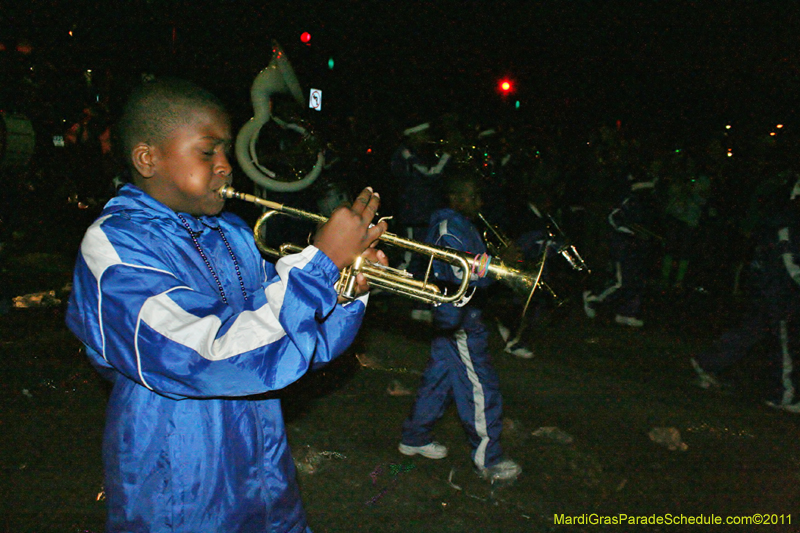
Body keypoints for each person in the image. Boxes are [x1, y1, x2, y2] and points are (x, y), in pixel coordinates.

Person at [65, 77, 388, 533]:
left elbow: (288, 346)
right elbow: (204, 353)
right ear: (147, 158)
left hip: (265, 473)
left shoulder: (231, 232)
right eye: (207, 151)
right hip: (179, 489)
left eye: (227, 151)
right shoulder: (114, 244)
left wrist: (343, 291)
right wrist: (317, 266)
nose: (226, 166)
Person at [398, 166, 522, 484]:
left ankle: (414, 438)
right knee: (481, 387)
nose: (479, 202)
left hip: (457, 317)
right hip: (459, 318)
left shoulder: (460, 223)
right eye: (472, 196)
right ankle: (488, 459)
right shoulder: (447, 227)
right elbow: (462, 274)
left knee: (438, 381)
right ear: (455, 197)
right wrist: (499, 265)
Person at [691, 177, 800, 412]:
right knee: (784, 341)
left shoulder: (782, 217)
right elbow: (788, 260)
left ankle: (708, 361)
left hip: (769, 286)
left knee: (754, 329)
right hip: (778, 289)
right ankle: (784, 395)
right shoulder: (788, 221)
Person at [582, 170, 660, 327]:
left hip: (638, 244)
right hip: (623, 244)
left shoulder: (645, 202)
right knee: (621, 281)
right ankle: (593, 298)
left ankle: (627, 313)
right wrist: (632, 230)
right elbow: (613, 218)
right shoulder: (628, 199)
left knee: (638, 279)